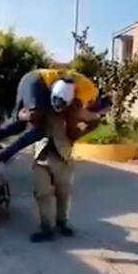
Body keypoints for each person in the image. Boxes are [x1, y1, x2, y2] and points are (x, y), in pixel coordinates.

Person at [0, 69, 99, 185]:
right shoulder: (89, 93)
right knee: (40, 126)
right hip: (38, 82)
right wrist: (74, 134)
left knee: (20, 124)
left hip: (30, 80)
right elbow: (72, 114)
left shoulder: (81, 86)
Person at [29, 103, 103, 243]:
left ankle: (61, 222)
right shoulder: (39, 102)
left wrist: (77, 133)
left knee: (63, 193)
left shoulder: (70, 107)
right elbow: (21, 117)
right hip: (40, 156)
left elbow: (94, 120)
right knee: (42, 193)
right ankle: (46, 228)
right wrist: (28, 115)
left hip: (62, 157)